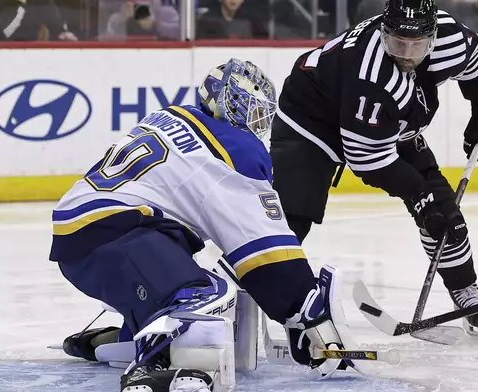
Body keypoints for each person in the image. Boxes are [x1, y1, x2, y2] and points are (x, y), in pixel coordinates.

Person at [49, 58, 360, 392]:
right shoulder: (235, 148)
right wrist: (303, 308)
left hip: (85, 234)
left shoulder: (170, 115)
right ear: (232, 104)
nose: (257, 124)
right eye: (254, 111)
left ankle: (118, 340)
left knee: (185, 281)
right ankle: (148, 372)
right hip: (117, 232)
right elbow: (264, 247)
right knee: (205, 295)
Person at [270, 0, 478, 340]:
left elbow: (474, 60)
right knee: (291, 216)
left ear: (433, 37)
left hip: (387, 121)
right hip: (311, 120)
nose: (407, 54)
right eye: (398, 43)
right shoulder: (371, 76)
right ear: (384, 32)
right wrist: (418, 196)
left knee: (444, 211)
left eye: (417, 45)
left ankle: (466, 292)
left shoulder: (451, 39)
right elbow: (367, 158)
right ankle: (248, 295)